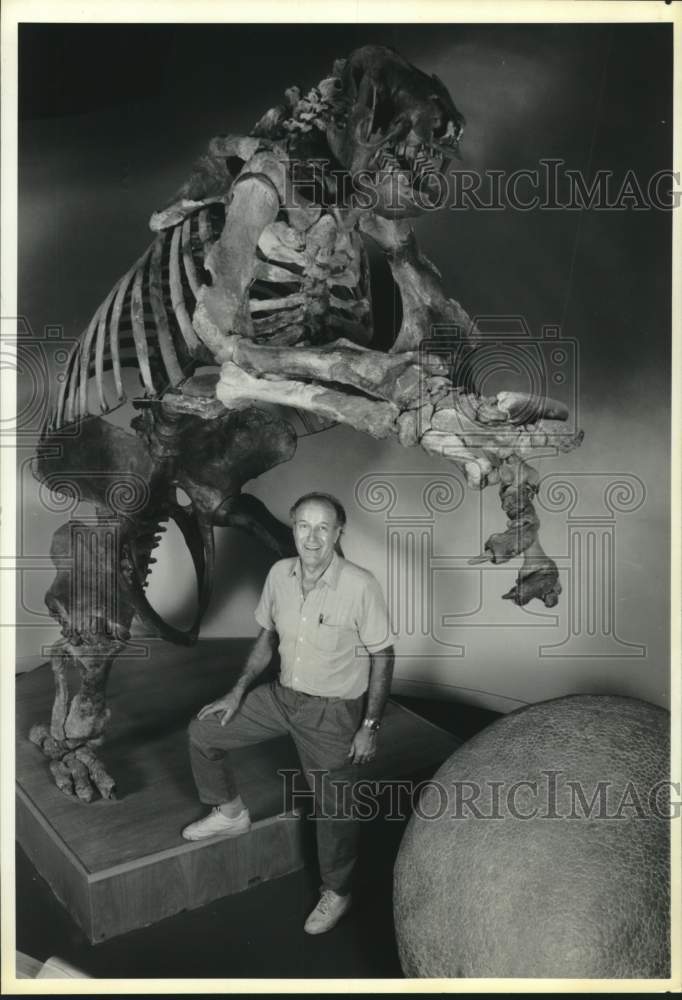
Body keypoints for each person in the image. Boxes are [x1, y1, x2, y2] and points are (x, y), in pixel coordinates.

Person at [182, 491, 395, 935]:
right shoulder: (280, 573)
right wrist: (237, 692)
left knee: (334, 811)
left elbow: (383, 655)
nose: (312, 537)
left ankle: (337, 891)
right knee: (203, 732)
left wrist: (369, 726)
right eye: (303, 526)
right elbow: (266, 640)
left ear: (339, 533)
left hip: (332, 714)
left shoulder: (361, 585)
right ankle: (230, 813)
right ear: (293, 528)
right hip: (281, 698)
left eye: (323, 528)